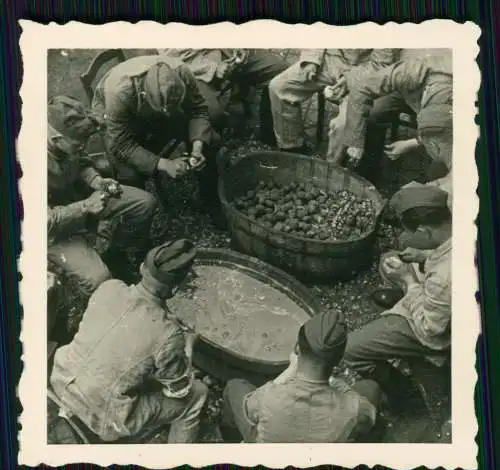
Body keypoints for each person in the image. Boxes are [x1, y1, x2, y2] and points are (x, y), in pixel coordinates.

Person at [50, 240, 209, 443]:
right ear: (176, 289)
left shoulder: (109, 287)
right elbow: (179, 391)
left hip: (61, 380)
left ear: (142, 267)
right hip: (102, 417)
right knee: (197, 395)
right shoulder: (169, 333)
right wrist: (188, 344)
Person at [91, 52, 223, 225]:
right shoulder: (118, 92)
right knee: (129, 174)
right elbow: (121, 144)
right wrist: (164, 164)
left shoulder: (182, 71)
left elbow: (197, 109)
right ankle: (136, 225)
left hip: (157, 114)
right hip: (125, 122)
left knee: (210, 140)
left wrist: (197, 148)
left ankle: (208, 198)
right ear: (145, 95)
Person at [47, 95, 158, 296]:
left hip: (80, 198)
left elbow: (81, 162)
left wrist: (96, 181)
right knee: (100, 279)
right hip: (53, 232)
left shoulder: (67, 141)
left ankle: (115, 253)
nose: (82, 147)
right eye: (78, 145)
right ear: (56, 138)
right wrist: (84, 207)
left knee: (144, 203)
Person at [221, 309, 381, 443]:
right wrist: (334, 381)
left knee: (235, 386)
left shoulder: (267, 397)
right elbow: (367, 417)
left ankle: (233, 442)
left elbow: (250, 412)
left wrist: (291, 370)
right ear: (339, 360)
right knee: (370, 388)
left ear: (297, 348)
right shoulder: (354, 407)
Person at [343, 183, 452, 376]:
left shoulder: (444, 277)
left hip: (437, 331)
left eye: (407, 232)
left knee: (349, 350)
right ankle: (406, 297)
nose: (403, 237)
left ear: (423, 231)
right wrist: (425, 255)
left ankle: (403, 392)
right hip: (444, 296)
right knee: (390, 258)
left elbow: (430, 329)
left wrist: (408, 281)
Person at [343, 56, 453, 205]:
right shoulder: (409, 72)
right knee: (376, 111)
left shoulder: (464, 99)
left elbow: (441, 134)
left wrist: (410, 143)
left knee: (440, 166)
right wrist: (356, 142)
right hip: (407, 93)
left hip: (438, 112)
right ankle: (369, 169)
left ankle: (426, 202)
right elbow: (361, 88)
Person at [268, 49, 401, 157]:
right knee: (280, 87)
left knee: (343, 125)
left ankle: (332, 168)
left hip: (363, 72)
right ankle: (292, 148)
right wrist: (311, 60)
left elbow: (382, 64)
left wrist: (349, 78)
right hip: (329, 61)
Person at [161, 49, 289, 141]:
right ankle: (208, 164)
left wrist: (239, 47)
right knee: (212, 115)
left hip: (230, 54)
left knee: (282, 73)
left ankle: (270, 136)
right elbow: (170, 58)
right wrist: (212, 68)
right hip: (196, 69)